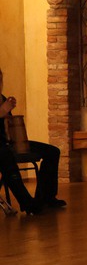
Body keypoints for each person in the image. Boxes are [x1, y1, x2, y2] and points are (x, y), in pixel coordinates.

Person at [0, 67, 65, 214]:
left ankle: (47, 197)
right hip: (2, 148)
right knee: (5, 156)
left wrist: (9, 113)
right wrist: (2, 111)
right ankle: (27, 203)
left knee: (52, 152)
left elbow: (8, 126)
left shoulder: (2, 98)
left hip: (10, 143)